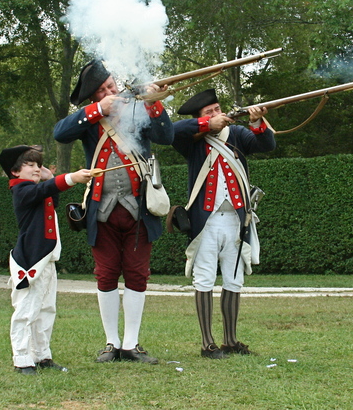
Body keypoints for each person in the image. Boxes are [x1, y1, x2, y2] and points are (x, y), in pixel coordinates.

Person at [53, 59, 174, 364]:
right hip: (101, 211)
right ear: (95, 96)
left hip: (138, 211)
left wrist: (155, 103)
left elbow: (167, 136)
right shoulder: (92, 118)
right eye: (103, 90)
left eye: (111, 85)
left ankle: (131, 343)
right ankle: (111, 342)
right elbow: (60, 133)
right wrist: (98, 110)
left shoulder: (139, 107)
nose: (111, 90)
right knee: (105, 275)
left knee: (137, 274)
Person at [171, 88, 276, 359]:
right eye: (209, 112)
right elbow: (172, 131)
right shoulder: (192, 140)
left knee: (233, 279)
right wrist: (206, 125)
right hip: (206, 221)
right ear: (200, 118)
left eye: (217, 110)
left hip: (236, 219)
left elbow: (267, 145)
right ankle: (208, 344)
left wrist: (256, 122)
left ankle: (230, 340)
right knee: (204, 278)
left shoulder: (238, 135)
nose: (217, 114)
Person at [0, 145, 92, 375]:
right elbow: (45, 190)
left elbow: (50, 195)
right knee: (26, 311)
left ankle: (41, 355)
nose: (35, 169)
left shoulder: (34, 189)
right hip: (31, 261)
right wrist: (69, 178)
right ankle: (22, 358)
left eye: (37, 165)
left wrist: (49, 177)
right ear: (15, 172)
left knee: (46, 309)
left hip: (46, 259)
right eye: (29, 165)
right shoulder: (20, 190)